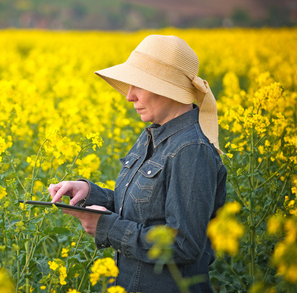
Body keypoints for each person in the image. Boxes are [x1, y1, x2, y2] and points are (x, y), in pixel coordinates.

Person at [48, 35, 227, 292]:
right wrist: (88, 192)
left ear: (167, 88)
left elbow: (183, 245)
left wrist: (106, 227)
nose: (129, 96)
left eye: (138, 85)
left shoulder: (191, 150)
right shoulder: (152, 136)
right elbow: (144, 209)